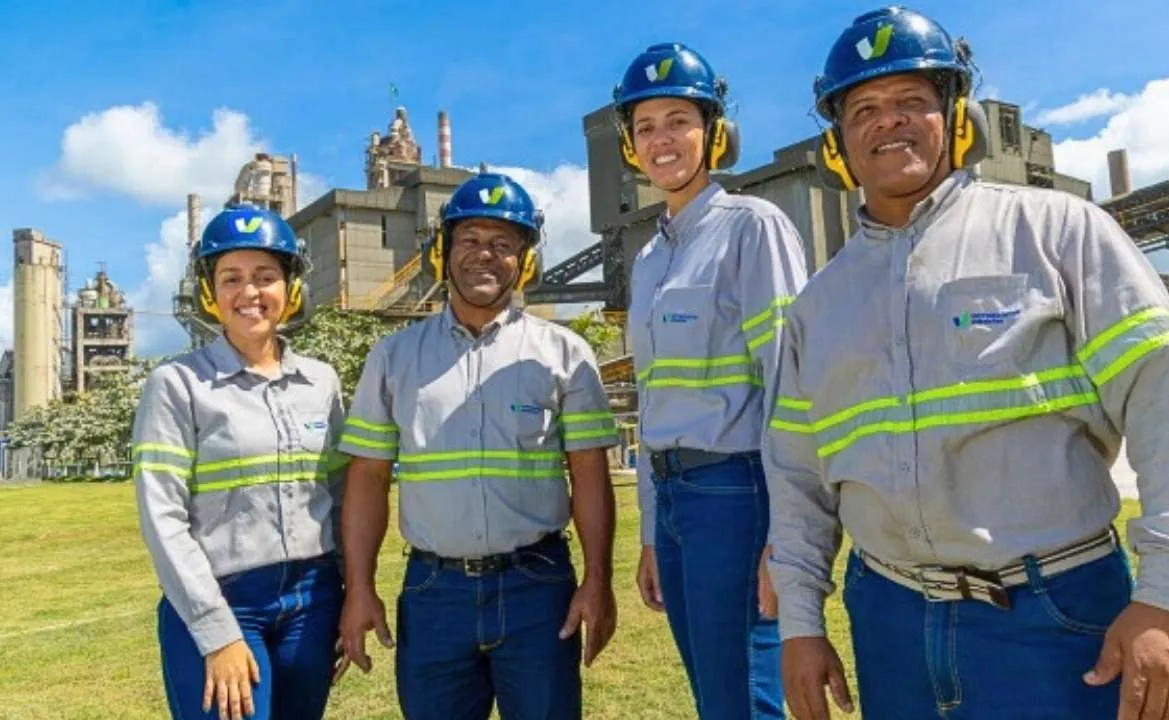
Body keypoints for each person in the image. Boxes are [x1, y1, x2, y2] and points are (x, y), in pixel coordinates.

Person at [764, 6, 1169, 720]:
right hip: (889, 616)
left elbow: (1166, 398)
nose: (887, 122)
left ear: (958, 120)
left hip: (1054, 613)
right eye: (864, 107)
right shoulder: (817, 306)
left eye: (912, 102)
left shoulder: (1058, 231)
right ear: (837, 141)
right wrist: (802, 624)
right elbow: (797, 476)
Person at [336, 172, 619, 720]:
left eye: (502, 243)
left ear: (525, 259)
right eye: (468, 240)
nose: (483, 255)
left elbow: (590, 475)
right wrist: (360, 588)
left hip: (538, 589)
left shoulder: (564, 355)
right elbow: (367, 479)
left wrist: (598, 582)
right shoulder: (394, 359)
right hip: (433, 593)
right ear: (444, 252)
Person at [613, 42, 809, 718]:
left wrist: (786, 534)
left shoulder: (752, 228)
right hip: (673, 499)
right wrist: (648, 533)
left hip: (735, 490)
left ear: (714, 133)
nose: (661, 140)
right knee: (713, 697)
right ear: (630, 148)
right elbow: (650, 397)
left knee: (746, 697)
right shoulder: (648, 258)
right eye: (645, 127)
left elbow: (790, 379)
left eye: (678, 121)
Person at [133, 204, 347, 720]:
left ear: (290, 287)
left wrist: (346, 596)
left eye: (265, 277)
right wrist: (216, 631)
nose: (249, 293)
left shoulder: (323, 382)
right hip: (224, 598)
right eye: (231, 278)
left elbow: (340, 499)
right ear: (210, 292)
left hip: (313, 602)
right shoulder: (177, 384)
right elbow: (162, 516)